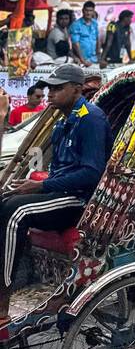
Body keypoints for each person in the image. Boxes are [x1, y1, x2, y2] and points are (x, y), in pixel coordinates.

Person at [0, 62, 110, 323]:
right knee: (4, 201)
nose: (50, 94)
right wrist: (35, 184)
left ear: (76, 89)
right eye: (49, 89)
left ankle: (3, 296)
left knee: (17, 213)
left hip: (79, 200)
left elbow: (91, 173)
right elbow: (60, 170)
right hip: (60, 193)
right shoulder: (64, 122)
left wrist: (41, 186)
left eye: (58, 89)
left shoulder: (91, 119)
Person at [69, 1, 100, 66]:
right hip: (81, 61)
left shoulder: (95, 23)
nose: (88, 13)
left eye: (91, 10)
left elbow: (97, 40)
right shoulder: (76, 25)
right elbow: (75, 44)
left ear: (93, 11)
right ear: (83, 11)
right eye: (86, 10)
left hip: (94, 59)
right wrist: (83, 60)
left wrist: (99, 56)